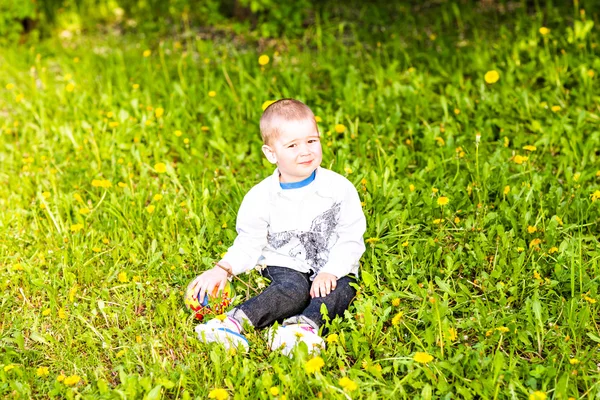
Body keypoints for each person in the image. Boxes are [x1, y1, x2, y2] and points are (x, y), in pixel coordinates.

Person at [187, 98, 366, 355]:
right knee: (293, 290)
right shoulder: (260, 198)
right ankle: (230, 323)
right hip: (286, 263)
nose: (305, 151)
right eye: (292, 145)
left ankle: (301, 330)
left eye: (311, 141)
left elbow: (351, 237)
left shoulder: (339, 188)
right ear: (271, 153)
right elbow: (249, 243)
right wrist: (222, 269)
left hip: (333, 262)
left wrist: (331, 271)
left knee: (342, 289)